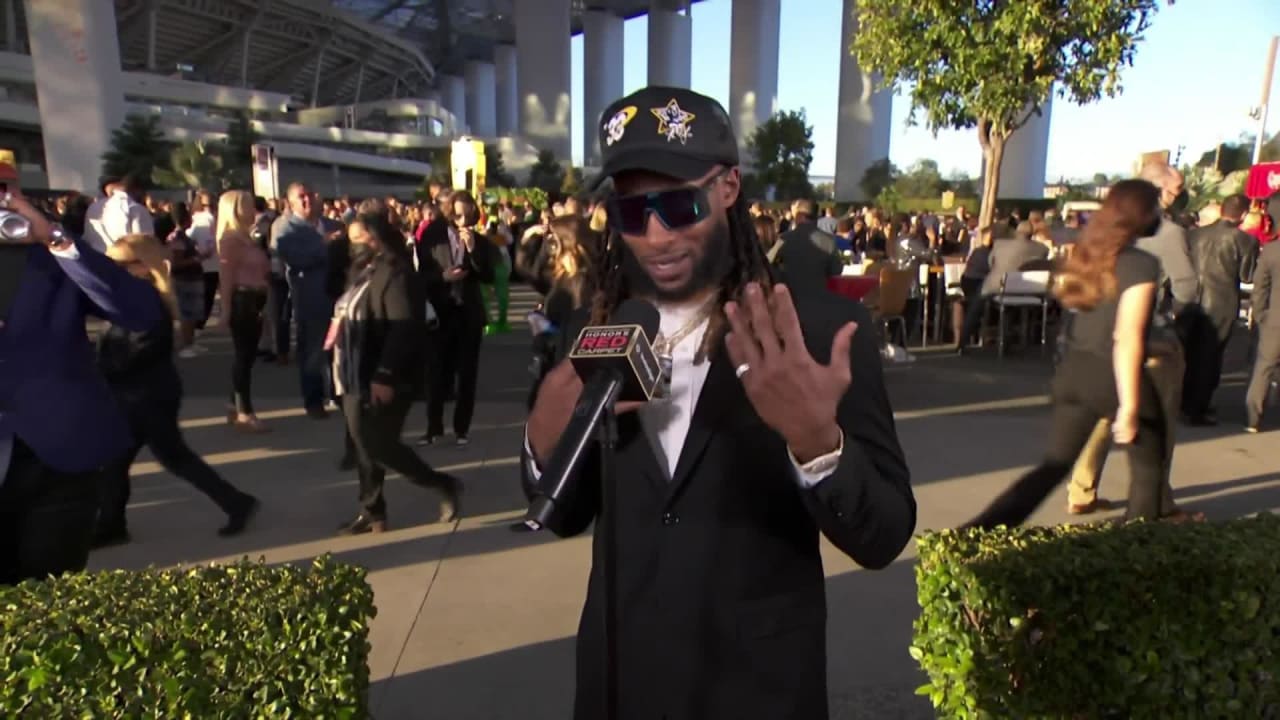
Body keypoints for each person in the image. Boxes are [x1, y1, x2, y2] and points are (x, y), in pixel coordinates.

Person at [521, 86, 915, 719]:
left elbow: (884, 535)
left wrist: (818, 444)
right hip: (620, 686)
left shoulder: (815, 328)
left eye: (679, 205)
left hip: (757, 691)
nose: (655, 235)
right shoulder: (594, 326)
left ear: (728, 187)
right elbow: (564, 514)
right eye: (631, 213)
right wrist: (542, 443)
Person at [965, 180, 1170, 530]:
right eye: (1156, 209)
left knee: (1053, 466)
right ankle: (1139, 543)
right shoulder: (1140, 264)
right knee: (1150, 466)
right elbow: (1126, 336)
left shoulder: (1086, 254)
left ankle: (977, 531)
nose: (1160, 216)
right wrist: (1130, 406)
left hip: (1074, 371)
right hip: (1110, 374)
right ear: (1142, 215)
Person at [0, 188, 163, 585]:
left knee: (50, 599)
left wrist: (57, 239)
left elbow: (141, 311)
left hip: (61, 457)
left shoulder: (51, 255)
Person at [94, 234, 259, 547]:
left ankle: (236, 502)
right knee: (118, 461)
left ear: (143, 266)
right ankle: (112, 523)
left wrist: (99, 370)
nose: (110, 269)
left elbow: (139, 351)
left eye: (118, 263)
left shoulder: (145, 299)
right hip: (137, 394)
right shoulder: (131, 296)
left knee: (172, 458)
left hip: (146, 396)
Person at [331, 212, 462, 534]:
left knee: (378, 443)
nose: (353, 245)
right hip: (351, 371)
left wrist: (385, 375)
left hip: (385, 373)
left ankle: (441, 484)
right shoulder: (361, 271)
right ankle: (372, 511)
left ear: (376, 238)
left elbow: (404, 330)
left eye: (358, 237)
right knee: (362, 445)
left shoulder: (397, 274)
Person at [422, 190, 495, 447]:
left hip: (469, 313)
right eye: (458, 215)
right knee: (437, 372)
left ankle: (461, 428)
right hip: (441, 312)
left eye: (468, 215)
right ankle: (433, 428)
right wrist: (443, 278)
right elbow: (421, 275)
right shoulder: (433, 236)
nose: (462, 221)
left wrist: (473, 251)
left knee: (467, 374)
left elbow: (487, 275)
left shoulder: (481, 240)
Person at [217, 190, 272, 433]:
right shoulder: (230, 240)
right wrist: (226, 309)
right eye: (248, 206)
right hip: (242, 300)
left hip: (256, 298)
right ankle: (244, 411)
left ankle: (234, 403)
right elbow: (226, 277)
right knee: (244, 356)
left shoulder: (247, 237)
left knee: (247, 357)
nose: (253, 211)